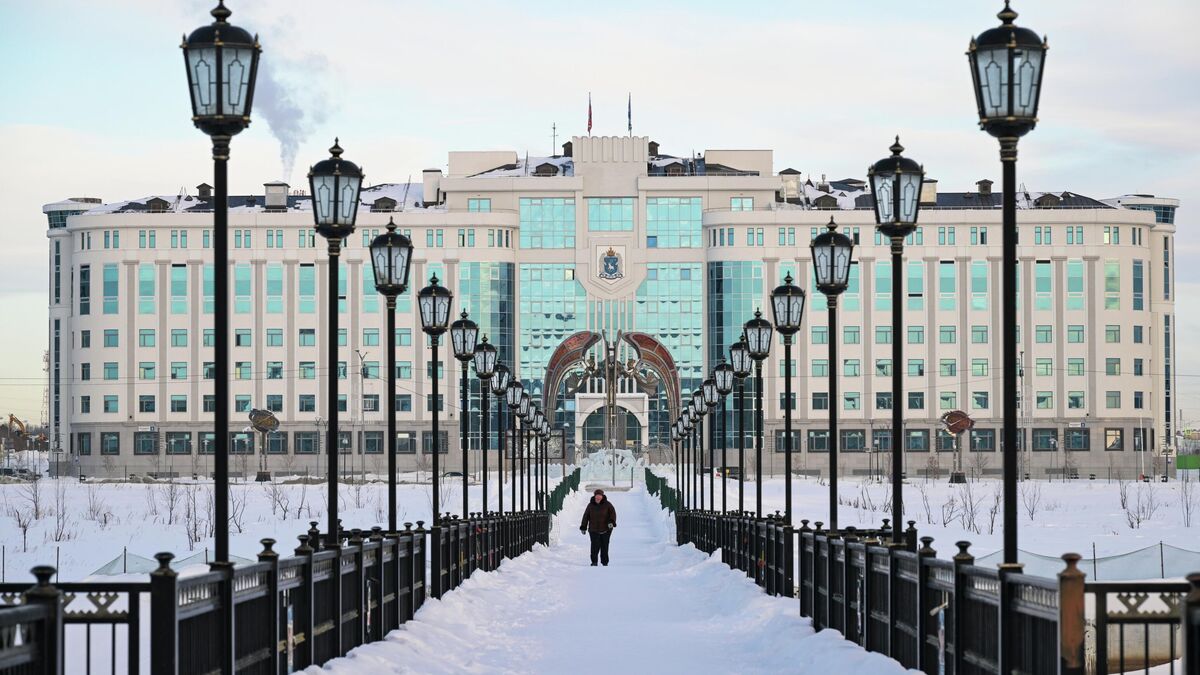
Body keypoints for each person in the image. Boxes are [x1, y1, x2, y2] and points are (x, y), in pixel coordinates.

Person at [579, 488, 617, 566]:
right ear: (594, 496)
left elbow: (613, 514)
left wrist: (611, 522)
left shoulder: (608, 504)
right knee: (594, 547)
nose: (598, 497)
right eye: (597, 496)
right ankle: (594, 562)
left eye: (600, 496)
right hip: (593, 530)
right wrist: (583, 527)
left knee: (604, 546)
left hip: (606, 530)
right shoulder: (590, 505)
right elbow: (585, 516)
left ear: (602, 496)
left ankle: (605, 563)